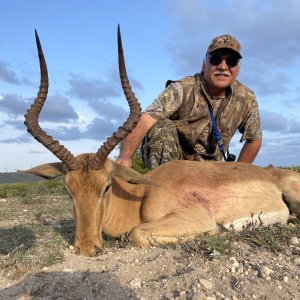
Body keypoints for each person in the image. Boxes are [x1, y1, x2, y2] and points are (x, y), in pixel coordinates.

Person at [117, 34, 262, 169]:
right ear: (204, 65)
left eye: (231, 61)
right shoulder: (182, 89)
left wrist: (237, 172)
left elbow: (254, 138)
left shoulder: (247, 98)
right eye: (215, 59)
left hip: (214, 169)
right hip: (176, 166)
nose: (223, 67)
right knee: (160, 127)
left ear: (238, 70)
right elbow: (145, 119)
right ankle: (166, 188)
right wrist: (125, 157)